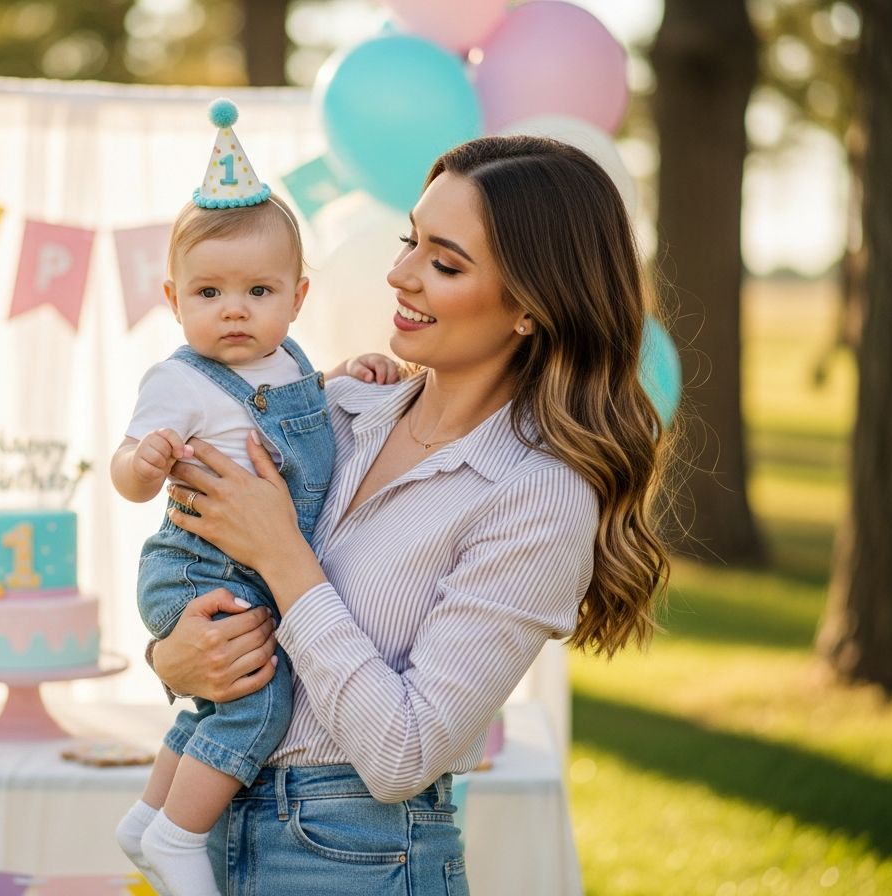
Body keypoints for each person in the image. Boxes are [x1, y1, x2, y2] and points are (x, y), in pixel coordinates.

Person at [147, 134, 672, 895]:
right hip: (210, 827)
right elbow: (196, 567)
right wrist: (172, 659)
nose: (399, 274)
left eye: (444, 262)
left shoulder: (537, 496)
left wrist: (284, 554)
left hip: (351, 857)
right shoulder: (336, 410)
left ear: (531, 307)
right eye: (410, 241)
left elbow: (403, 755)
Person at [110, 99, 398, 896]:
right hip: (198, 565)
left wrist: (339, 379)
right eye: (208, 293)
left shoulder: (288, 361)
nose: (234, 309)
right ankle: (179, 836)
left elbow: (298, 400)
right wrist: (148, 460)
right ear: (173, 299)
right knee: (257, 701)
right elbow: (124, 467)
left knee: (216, 700)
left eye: (258, 291)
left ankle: (147, 816)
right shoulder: (178, 381)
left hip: (249, 564)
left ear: (297, 297)